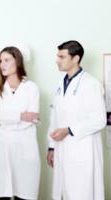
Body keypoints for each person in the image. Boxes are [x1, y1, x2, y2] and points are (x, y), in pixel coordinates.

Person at [47, 40, 106, 200]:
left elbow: (100, 119)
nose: (57, 60)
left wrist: (69, 130)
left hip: (83, 149)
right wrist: (51, 147)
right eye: (57, 56)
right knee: (64, 191)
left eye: (62, 56)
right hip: (62, 148)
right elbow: (55, 117)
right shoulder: (60, 85)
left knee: (81, 192)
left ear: (76, 58)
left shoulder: (91, 84)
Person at [0, 46, 41, 200]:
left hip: (24, 148)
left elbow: (33, 119)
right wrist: (20, 115)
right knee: (0, 193)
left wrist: (3, 119)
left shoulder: (32, 88)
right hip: (0, 148)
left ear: (17, 61)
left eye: (7, 60)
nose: (2, 64)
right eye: (0, 61)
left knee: (25, 193)